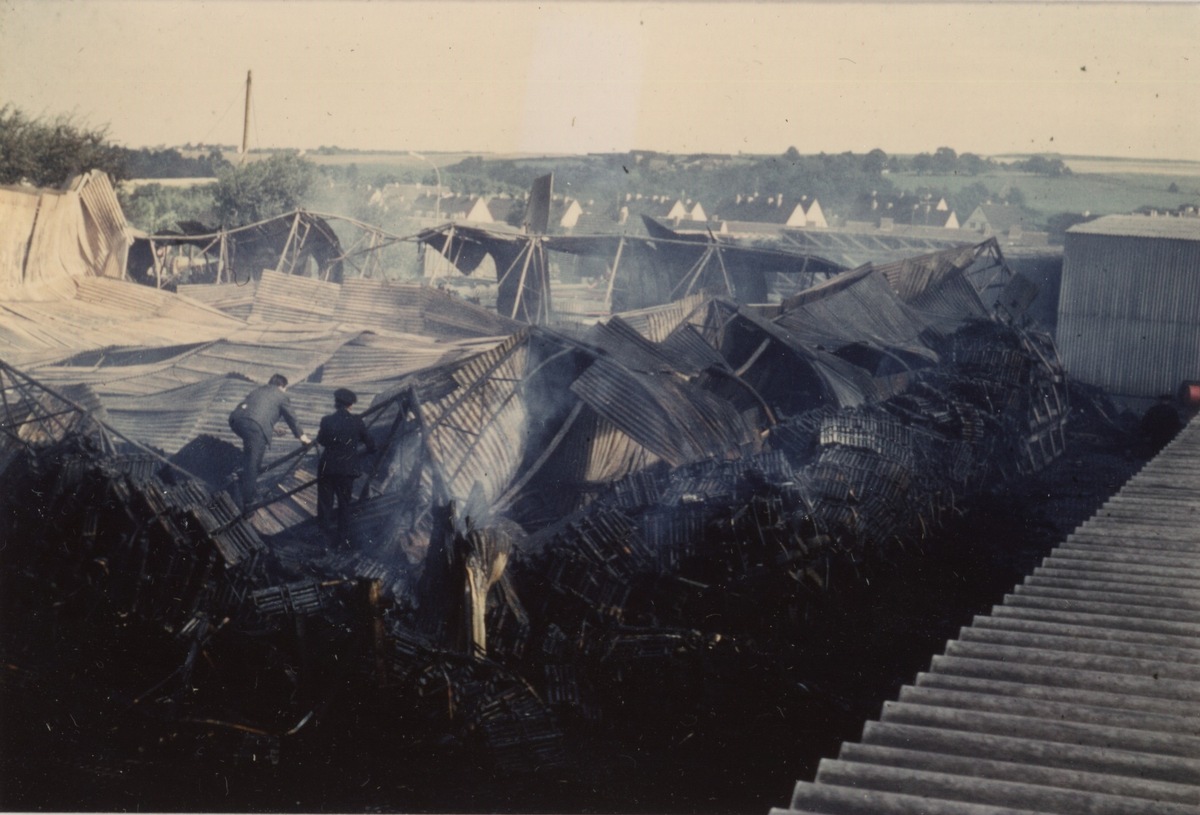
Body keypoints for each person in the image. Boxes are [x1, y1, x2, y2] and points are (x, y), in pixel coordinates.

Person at [228, 373, 310, 511]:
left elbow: (255, 412)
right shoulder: (281, 395)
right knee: (253, 463)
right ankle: (248, 502)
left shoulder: (259, 390)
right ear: (282, 386)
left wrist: (272, 427)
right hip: (254, 428)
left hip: (236, 420)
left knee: (250, 453)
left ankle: (244, 475)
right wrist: (302, 437)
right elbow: (291, 417)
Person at [316, 388, 376, 549]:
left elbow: (321, 440)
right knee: (344, 505)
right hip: (346, 470)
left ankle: (322, 543)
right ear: (350, 405)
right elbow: (371, 445)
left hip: (327, 468)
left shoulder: (326, 420)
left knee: (324, 505)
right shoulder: (357, 421)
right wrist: (356, 454)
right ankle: (341, 542)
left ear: (336, 403)